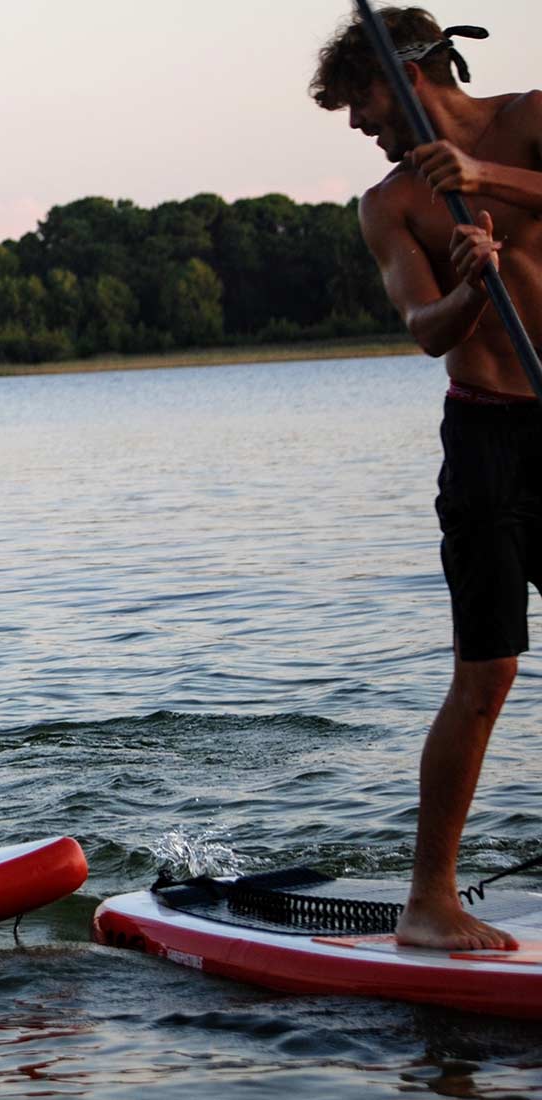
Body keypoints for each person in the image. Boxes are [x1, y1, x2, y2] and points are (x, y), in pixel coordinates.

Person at [313, 8, 542, 950]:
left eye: (363, 101)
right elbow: (425, 330)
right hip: (487, 438)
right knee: (486, 673)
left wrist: (484, 178)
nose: (361, 126)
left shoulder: (530, 119)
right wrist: (469, 286)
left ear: (414, 71)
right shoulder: (389, 203)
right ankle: (429, 903)